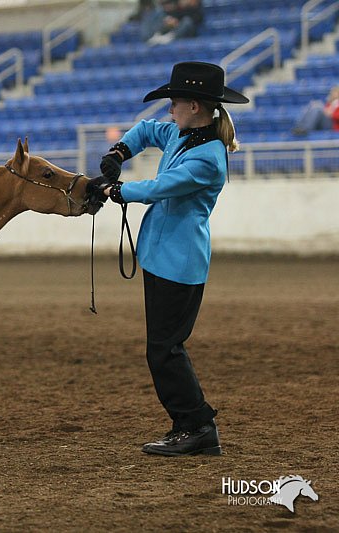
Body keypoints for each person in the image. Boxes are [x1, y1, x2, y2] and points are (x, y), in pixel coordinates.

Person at [87, 62, 249, 456]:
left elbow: (162, 187)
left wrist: (116, 190)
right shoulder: (183, 133)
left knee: (165, 349)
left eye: (174, 102)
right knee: (164, 347)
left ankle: (197, 425)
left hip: (179, 262)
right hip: (164, 258)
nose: (169, 110)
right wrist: (119, 150)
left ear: (194, 105)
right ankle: (188, 425)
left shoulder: (208, 158)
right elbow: (145, 130)